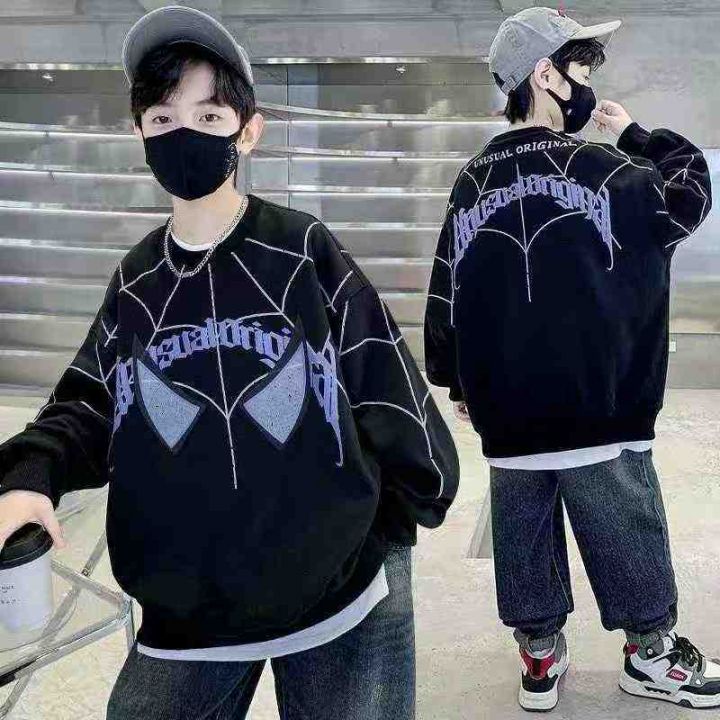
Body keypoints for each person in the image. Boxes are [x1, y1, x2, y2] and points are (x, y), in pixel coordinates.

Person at [0, 6, 459, 718]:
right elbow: (90, 401)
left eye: (208, 117)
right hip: (189, 607)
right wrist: (30, 477)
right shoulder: (136, 282)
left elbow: (382, 378)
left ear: (248, 131)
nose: (183, 134)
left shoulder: (301, 250)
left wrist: (403, 512)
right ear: (139, 134)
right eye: (162, 118)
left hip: (336, 590)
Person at [425, 5, 717, 713]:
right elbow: (692, 189)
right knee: (624, 526)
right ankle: (650, 655)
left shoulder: (472, 178)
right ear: (546, 75)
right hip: (599, 402)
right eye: (580, 67)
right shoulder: (610, 170)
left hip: (509, 410)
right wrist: (635, 135)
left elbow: (448, 284)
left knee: (523, 529)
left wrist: (454, 376)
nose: (587, 82)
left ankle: (539, 656)